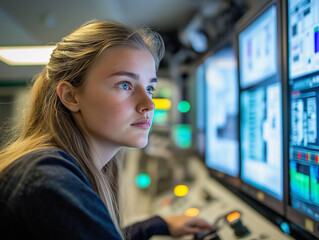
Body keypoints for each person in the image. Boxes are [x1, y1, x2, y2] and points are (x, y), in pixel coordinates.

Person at [0, 20, 214, 239]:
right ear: (71, 97)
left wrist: (159, 225)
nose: (149, 104)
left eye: (150, 88)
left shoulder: (54, 167)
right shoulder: (48, 177)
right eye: (124, 85)